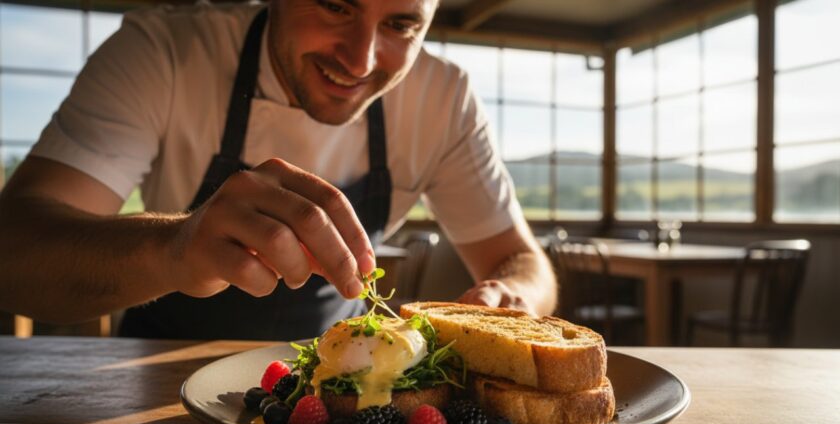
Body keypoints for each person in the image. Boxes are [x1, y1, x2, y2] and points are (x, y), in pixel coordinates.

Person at [0, 0, 556, 340]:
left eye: (402, 24)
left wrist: (510, 298)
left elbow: (526, 263)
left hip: (340, 393)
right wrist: (173, 247)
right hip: (151, 377)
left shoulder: (444, 99)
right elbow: (15, 252)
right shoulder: (163, 52)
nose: (359, 61)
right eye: (336, 6)